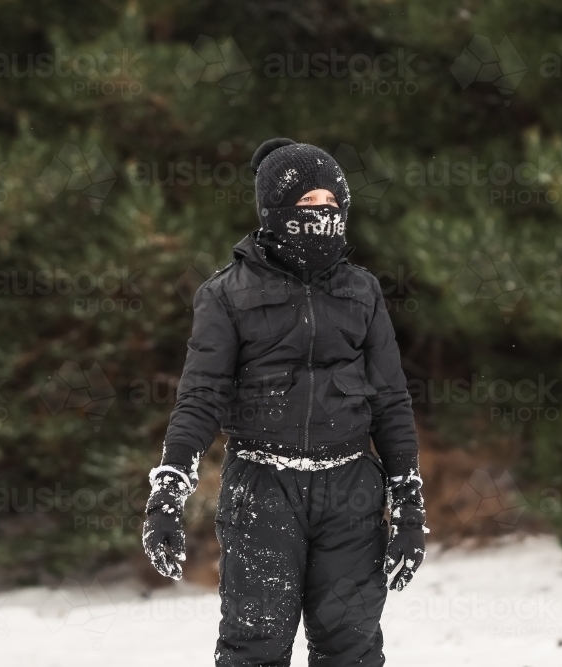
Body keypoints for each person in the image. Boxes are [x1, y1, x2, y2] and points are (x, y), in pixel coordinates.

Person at [141, 138, 427, 666]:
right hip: (262, 492)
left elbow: (390, 401)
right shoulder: (226, 294)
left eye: (331, 204)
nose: (323, 217)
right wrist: (168, 492)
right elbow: (200, 397)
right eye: (307, 206)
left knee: (352, 647)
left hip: (351, 493)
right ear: (275, 212)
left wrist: (408, 504)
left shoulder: (363, 292)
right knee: (255, 647)